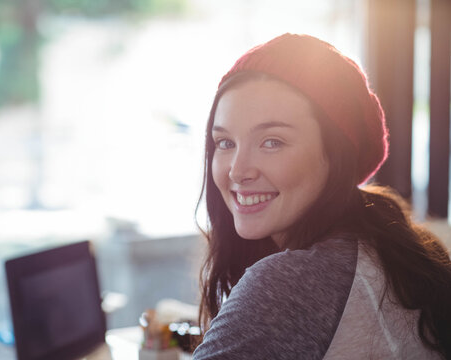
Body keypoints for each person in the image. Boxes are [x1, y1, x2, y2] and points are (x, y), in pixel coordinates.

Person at [192, 33, 451, 359]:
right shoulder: (386, 249)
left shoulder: (288, 286)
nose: (237, 170)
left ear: (336, 155)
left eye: (272, 142)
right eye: (225, 143)